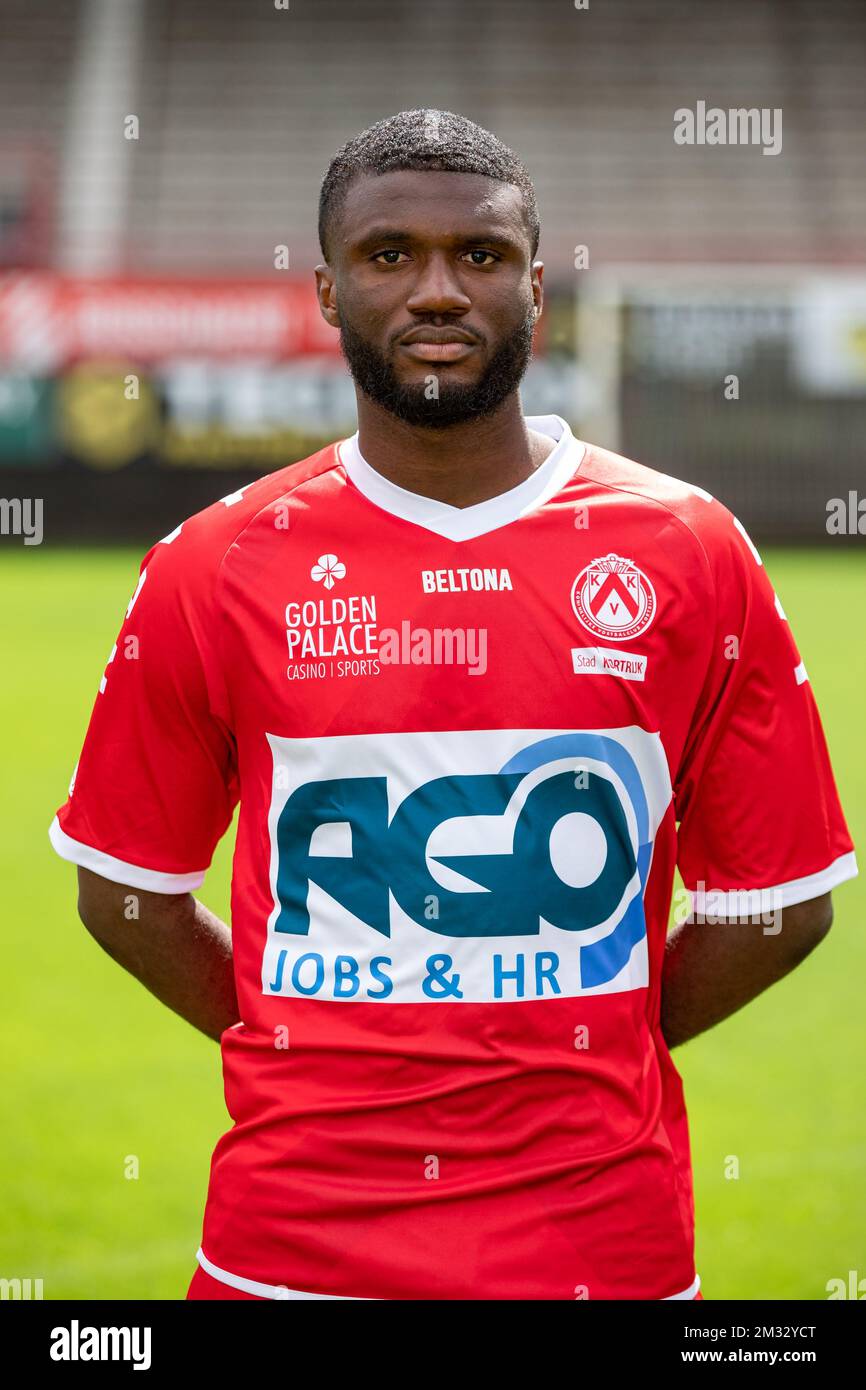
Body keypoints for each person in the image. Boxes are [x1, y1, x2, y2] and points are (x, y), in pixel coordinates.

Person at [49, 109, 856, 1301]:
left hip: (599, 1247)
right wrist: (313, 1044)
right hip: (291, 1252)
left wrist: (583, 1048)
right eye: (389, 256)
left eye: (477, 256)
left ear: (534, 286)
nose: (436, 289)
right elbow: (124, 890)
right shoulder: (212, 564)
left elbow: (776, 907)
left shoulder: (687, 550)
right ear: (326, 291)